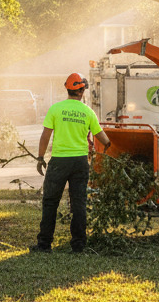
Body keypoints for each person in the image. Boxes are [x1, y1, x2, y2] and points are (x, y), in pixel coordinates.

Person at [32, 72, 111, 253]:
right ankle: (78, 245)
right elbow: (103, 139)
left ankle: (44, 245)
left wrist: (40, 157)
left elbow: (46, 135)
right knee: (78, 203)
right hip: (80, 162)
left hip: (59, 162)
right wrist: (107, 147)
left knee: (51, 202)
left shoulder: (55, 109)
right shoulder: (88, 112)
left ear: (67, 89)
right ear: (82, 90)